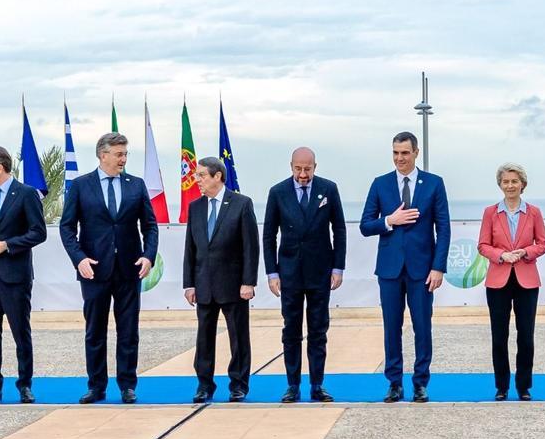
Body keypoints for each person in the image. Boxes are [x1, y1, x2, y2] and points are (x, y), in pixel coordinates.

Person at [59, 132, 158, 404]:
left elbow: (149, 226)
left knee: (128, 330)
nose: (123, 159)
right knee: (95, 331)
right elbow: (67, 228)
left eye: (125, 154)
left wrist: (148, 256)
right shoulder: (80, 186)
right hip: (94, 270)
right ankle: (96, 386)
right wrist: (79, 259)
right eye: (119, 154)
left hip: (129, 269)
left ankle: (127, 385)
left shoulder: (136, 185)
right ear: (103, 155)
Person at [360, 131, 451, 403]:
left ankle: (421, 383)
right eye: (395, 153)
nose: (399, 158)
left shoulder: (434, 184)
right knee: (392, 327)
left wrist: (438, 267)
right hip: (389, 270)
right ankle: (394, 384)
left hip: (422, 271)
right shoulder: (380, 184)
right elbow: (365, 225)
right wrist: (390, 219)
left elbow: (443, 228)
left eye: (405, 153)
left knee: (422, 327)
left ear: (416, 153)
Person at [264, 147, 346, 403]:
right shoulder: (277, 192)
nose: (302, 174)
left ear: (315, 167)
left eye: (307, 169)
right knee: (291, 330)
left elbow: (340, 229)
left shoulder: (328, 189)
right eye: (298, 169)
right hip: (288, 273)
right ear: (291, 166)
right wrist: (271, 272)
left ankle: (317, 384)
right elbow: (268, 235)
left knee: (318, 330)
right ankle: (292, 385)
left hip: (320, 271)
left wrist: (338, 267)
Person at [0, 146, 47, 404]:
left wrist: (7, 245)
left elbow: (39, 232)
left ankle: (25, 385)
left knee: (20, 333)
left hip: (15, 277)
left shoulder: (26, 194)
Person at [183, 157, 259, 403]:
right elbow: (190, 249)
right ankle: (204, 385)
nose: (198, 180)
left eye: (202, 175)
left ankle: (238, 384)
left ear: (217, 176)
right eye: (197, 176)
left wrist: (249, 282)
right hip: (204, 284)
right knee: (204, 338)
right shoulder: (195, 207)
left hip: (234, 285)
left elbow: (251, 247)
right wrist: (189, 284)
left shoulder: (241, 204)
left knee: (238, 337)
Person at [477, 163, 545, 401]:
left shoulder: (534, 212)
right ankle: (501, 386)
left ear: (523, 185)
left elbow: (543, 244)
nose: (510, 186)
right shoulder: (490, 212)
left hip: (526, 280)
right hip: (498, 280)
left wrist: (525, 252)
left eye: (514, 181)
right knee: (499, 335)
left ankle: (524, 386)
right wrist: (501, 255)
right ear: (500, 185)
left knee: (526, 335)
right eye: (506, 182)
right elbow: (483, 245)